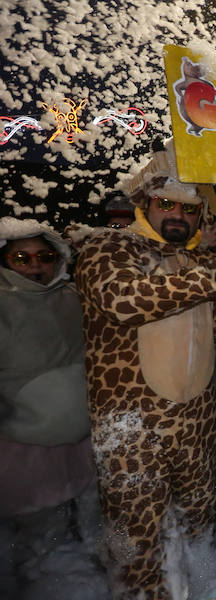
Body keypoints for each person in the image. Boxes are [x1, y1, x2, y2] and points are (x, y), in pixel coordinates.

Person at [74, 143, 216, 600]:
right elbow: (124, 300)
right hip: (133, 427)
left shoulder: (194, 260)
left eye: (190, 209)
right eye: (166, 203)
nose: (178, 215)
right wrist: (215, 278)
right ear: (144, 204)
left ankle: (205, 582)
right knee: (136, 538)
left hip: (194, 419)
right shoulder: (107, 247)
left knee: (197, 519)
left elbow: (214, 333)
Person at [0, 218, 95, 581]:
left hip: (77, 443)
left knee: (70, 537)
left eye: (45, 257)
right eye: (21, 258)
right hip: (23, 450)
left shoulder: (72, 297)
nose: (36, 266)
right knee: (30, 545)